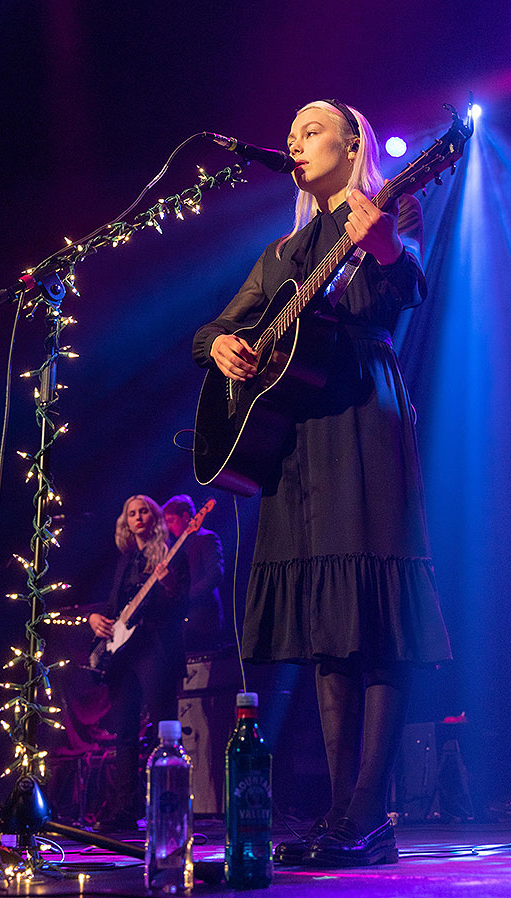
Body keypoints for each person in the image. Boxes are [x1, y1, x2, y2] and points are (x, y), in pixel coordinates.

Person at [192, 100, 451, 867]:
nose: (295, 142)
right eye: (293, 133)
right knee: (329, 636)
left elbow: (405, 294)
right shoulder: (281, 254)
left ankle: (368, 816)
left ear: (352, 144)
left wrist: (386, 250)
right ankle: (347, 818)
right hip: (296, 438)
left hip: (361, 419)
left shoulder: (391, 207)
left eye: (311, 130)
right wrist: (227, 349)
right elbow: (209, 331)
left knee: (372, 623)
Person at [88, 494, 189, 830]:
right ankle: (123, 811)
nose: (138, 516)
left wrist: (169, 582)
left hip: (156, 648)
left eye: (144, 510)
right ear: (126, 523)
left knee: (164, 728)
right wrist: (94, 620)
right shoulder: (127, 560)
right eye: (131, 513)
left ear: (155, 516)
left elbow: (183, 602)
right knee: (125, 733)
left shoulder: (172, 552)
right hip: (124, 653)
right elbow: (115, 604)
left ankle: (168, 808)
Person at [162, 494, 225, 653]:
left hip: (203, 619)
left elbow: (215, 575)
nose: (168, 527)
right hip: (180, 623)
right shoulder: (174, 548)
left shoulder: (207, 538)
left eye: (171, 521)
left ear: (185, 517)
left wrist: (186, 596)